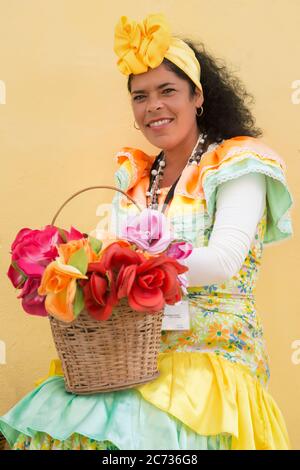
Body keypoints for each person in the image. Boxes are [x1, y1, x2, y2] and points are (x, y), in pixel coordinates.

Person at [0, 13, 294, 450]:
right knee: (63, 416)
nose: (153, 105)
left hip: (213, 355)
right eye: (140, 96)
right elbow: (108, 255)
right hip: (132, 353)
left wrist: (129, 267)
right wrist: (77, 271)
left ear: (198, 97)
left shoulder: (237, 163)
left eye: (167, 91)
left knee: (145, 434)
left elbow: (225, 261)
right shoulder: (137, 177)